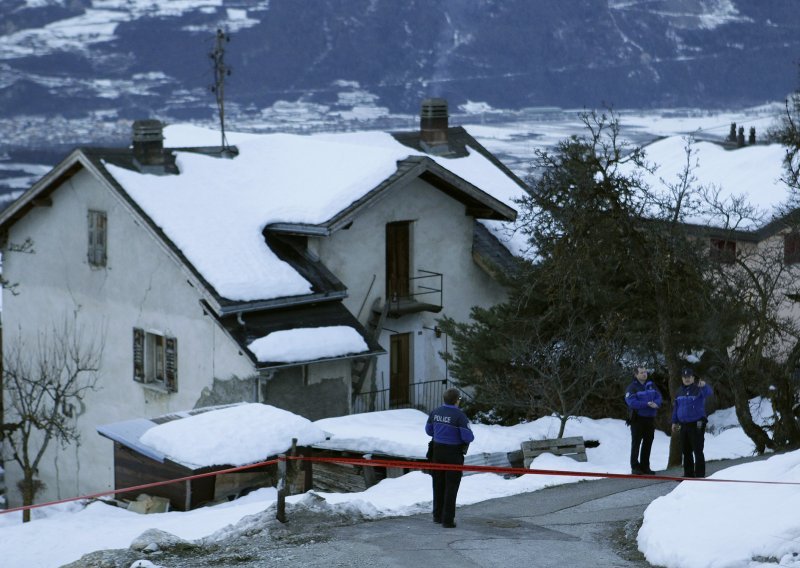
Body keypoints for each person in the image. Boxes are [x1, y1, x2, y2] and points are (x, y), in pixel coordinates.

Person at [425, 387, 474, 528]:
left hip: (437, 451)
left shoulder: (435, 412)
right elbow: (468, 436)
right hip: (453, 454)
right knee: (451, 486)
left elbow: (428, 430)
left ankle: (437, 516)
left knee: (438, 484)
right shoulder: (460, 416)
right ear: (456, 400)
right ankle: (447, 520)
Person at [671, 367, 713, 478]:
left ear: (693, 377)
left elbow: (709, 392)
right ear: (682, 378)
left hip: (697, 423)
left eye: (689, 377)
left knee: (697, 449)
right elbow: (676, 407)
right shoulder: (679, 391)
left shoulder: (699, 388)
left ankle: (700, 475)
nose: (687, 379)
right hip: (683, 424)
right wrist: (674, 421)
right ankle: (688, 474)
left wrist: (704, 385)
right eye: (684, 377)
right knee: (686, 450)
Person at [624, 366, 662, 475]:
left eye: (645, 372)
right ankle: (635, 467)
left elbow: (659, 396)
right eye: (641, 372)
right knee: (636, 443)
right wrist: (646, 404)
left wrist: (657, 403)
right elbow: (631, 402)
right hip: (637, 418)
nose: (644, 374)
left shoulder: (651, 385)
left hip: (650, 418)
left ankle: (645, 466)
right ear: (636, 374)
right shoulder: (632, 387)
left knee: (648, 442)